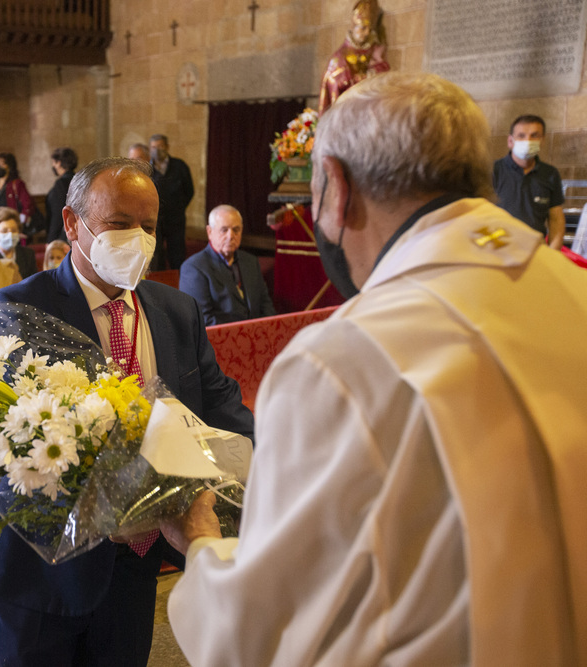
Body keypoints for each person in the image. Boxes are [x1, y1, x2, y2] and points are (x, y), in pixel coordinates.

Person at [162, 72, 587, 665]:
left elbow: (254, 633)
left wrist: (201, 541)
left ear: (336, 186)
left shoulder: (338, 361)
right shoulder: (574, 288)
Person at [0, 157, 254, 666]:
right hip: (42, 569)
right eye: (120, 224)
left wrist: (291, 460)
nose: (138, 239)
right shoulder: (19, 309)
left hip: (135, 564)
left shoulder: (176, 310)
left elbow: (222, 405)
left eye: (149, 226)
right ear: (73, 224)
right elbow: (15, 440)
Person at [179, 204, 275, 325]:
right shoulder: (194, 268)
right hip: (220, 340)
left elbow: (266, 306)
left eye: (236, 230)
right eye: (224, 230)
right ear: (209, 232)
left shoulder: (250, 262)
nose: (230, 236)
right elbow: (202, 320)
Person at [492, 115, 566, 250]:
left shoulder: (550, 174)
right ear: (510, 141)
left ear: (542, 140)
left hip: (536, 251)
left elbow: (556, 218)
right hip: (498, 251)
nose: (528, 141)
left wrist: (553, 253)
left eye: (534, 135)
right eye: (521, 136)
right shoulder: (493, 171)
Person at [318, 0, 389, 113]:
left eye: (369, 29)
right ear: (353, 28)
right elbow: (336, 83)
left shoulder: (373, 50)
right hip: (347, 111)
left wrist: (378, 61)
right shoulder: (340, 56)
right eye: (363, 28)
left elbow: (385, 79)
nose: (366, 33)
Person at [149, 134, 194, 270]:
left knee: (177, 254)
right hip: (155, 220)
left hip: (176, 219)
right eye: (153, 147)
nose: (157, 150)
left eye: (160, 146)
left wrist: (178, 207)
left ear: (167, 147)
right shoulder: (147, 169)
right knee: (156, 256)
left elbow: (189, 191)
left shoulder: (180, 166)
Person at [0, 207, 36, 279]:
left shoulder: (28, 254)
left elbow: (34, 282)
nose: (10, 234)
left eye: (14, 230)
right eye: (4, 231)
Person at [46, 147, 77, 243]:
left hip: (63, 235)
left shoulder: (61, 184)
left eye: (54, 163)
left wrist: (51, 239)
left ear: (59, 163)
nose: (53, 166)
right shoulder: (78, 180)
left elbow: (58, 214)